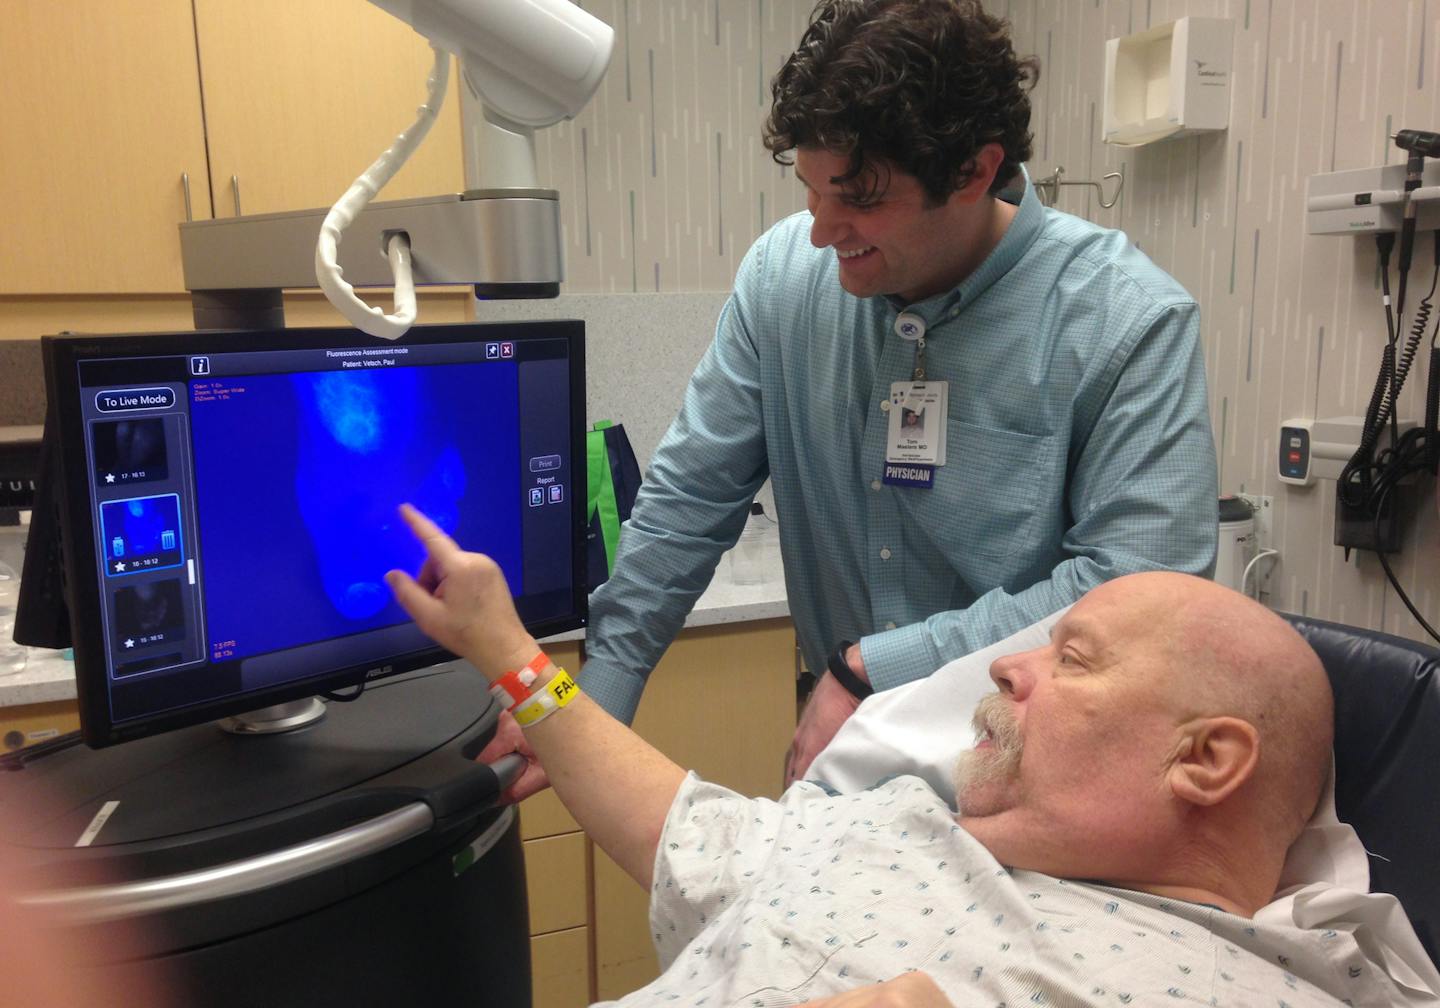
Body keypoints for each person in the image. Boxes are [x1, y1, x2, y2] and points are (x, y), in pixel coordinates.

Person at [478, 0, 1218, 801]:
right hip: (838, 749)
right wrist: (592, 700)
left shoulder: (1126, 320)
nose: (823, 230)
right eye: (812, 190)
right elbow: (688, 499)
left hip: (1031, 770)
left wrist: (873, 667)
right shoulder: (783, 283)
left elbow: (1137, 596)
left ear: (973, 171)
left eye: (860, 198)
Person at [387, 504, 1438, 1008]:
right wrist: (509, 651)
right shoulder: (906, 824)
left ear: (1206, 761)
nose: (1004, 674)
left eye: (1070, 658)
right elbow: (683, 825)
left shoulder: (1238, 989)